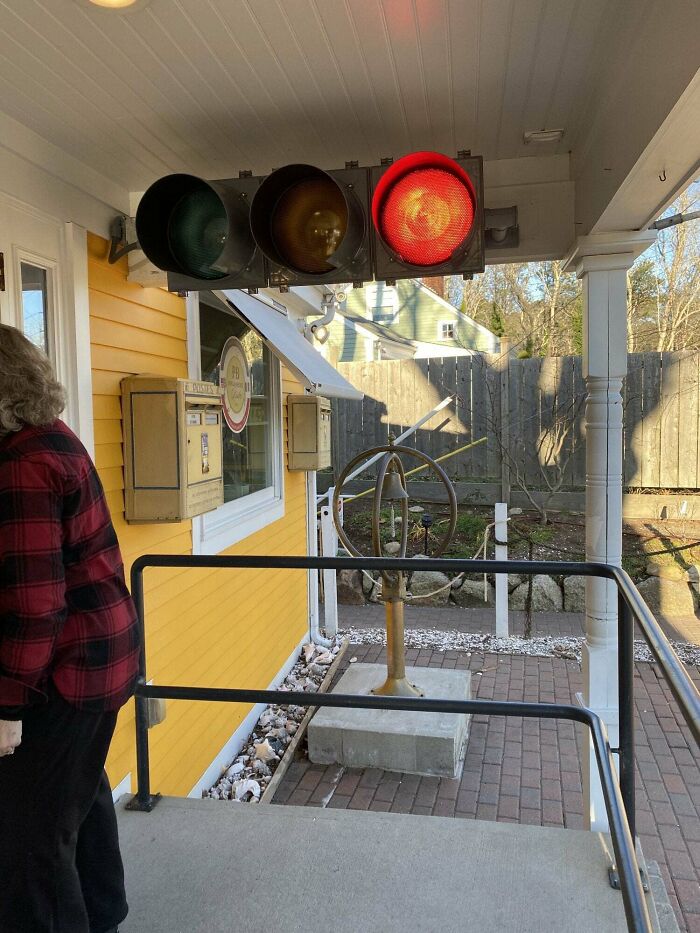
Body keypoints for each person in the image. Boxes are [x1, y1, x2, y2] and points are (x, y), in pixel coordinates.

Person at [0, 324, 140, 933]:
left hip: (65, 671)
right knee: (76, 801)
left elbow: (34, 606)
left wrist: (5, 705)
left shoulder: (22, 465)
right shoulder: (54, 439)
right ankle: (104, 914)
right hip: (103, 657)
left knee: (29, 839)